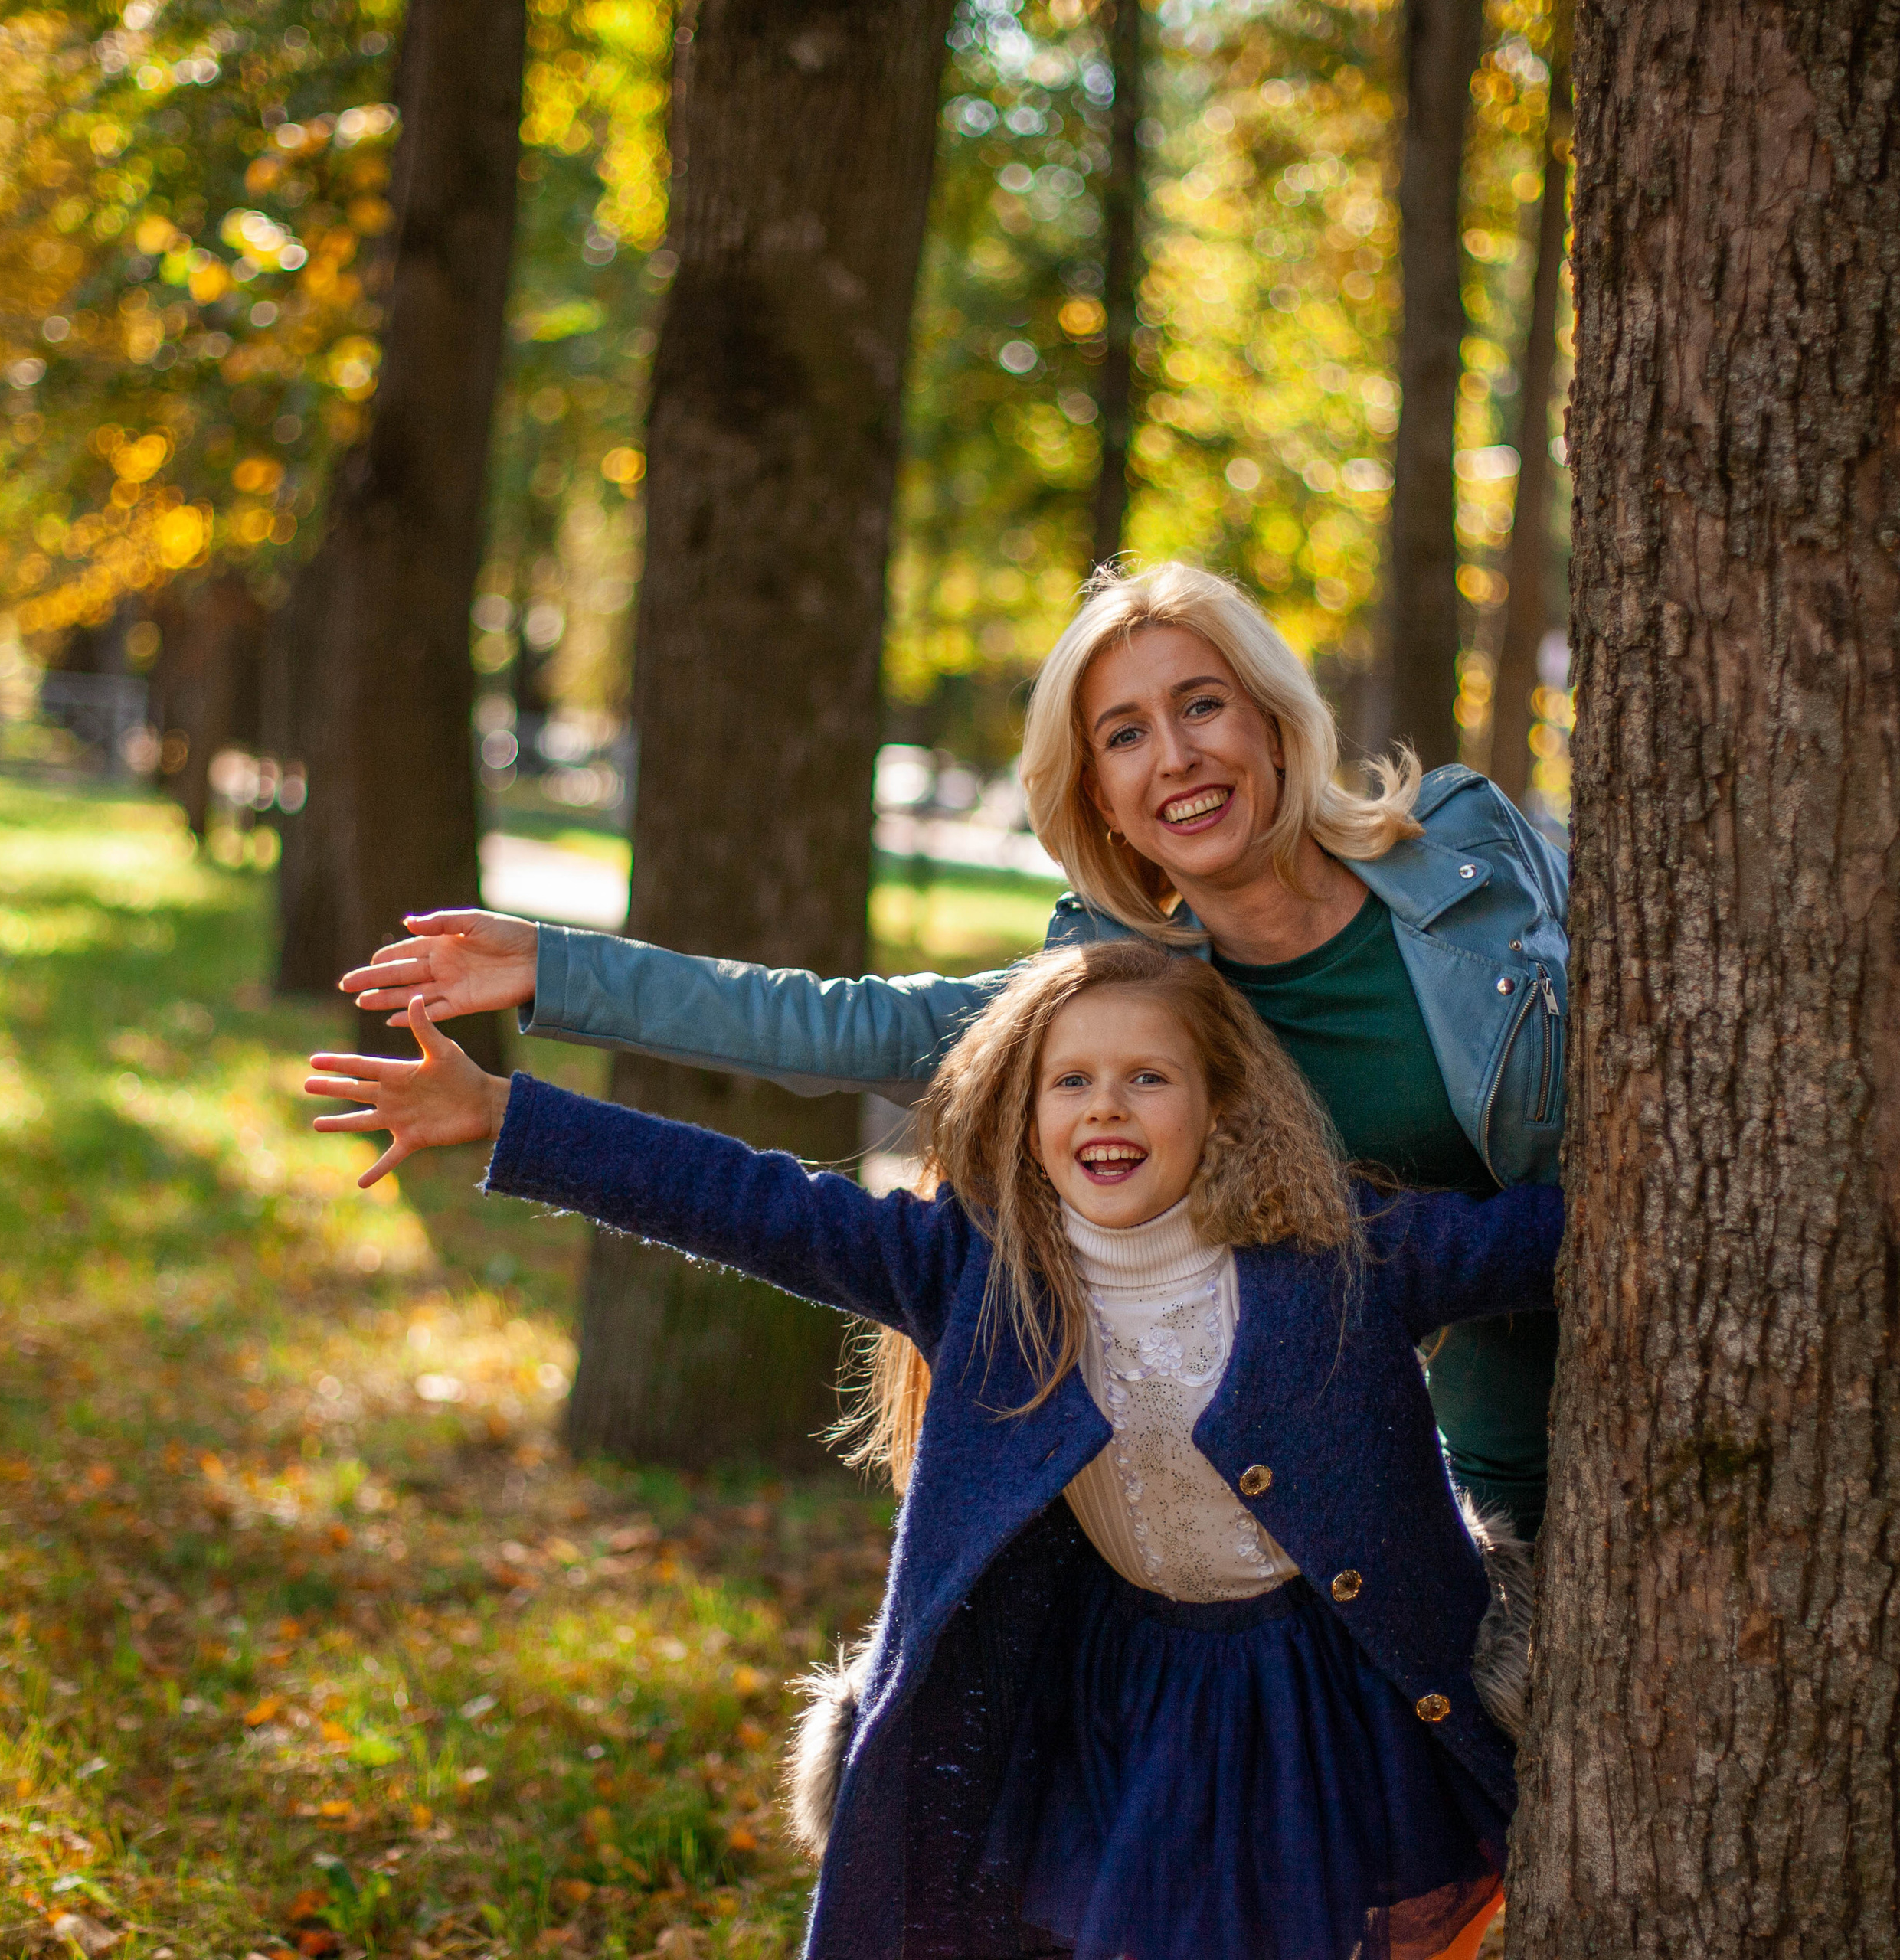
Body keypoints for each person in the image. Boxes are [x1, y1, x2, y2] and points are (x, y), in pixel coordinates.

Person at [305, 939, 1559, 1960]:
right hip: (1118, 1689)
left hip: (1322, 1695)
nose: (1106, 1109)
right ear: (1023, 1112)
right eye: (1071, 1082)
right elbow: (747, 1201)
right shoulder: (971, 1270)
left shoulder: (1345, 1257)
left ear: (1222, 1106)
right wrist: (503, 1115)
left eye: (1148, 1080)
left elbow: (1550, 1233)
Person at [338, 563, 1568, 1540]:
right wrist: (562, 970)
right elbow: (843, 1024)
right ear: (1094, 794)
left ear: (1276, 723)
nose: (1178, 757)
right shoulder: (1136, 1008)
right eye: (1125, 735)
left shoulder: (1469, 854)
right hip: (1477, 1476)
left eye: (1202, 706)